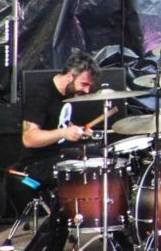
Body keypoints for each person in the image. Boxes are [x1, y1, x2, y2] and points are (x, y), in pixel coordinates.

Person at [7, 49, 101, 213]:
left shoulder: (67, 92)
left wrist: (76, 130)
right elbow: (29, 138)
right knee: (84, 167)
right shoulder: (41, 95)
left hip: (57, 156)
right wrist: (64, 133)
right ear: (70, 76)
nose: (86, 91)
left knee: (99, 158)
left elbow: (57, 121)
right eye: (84, 84)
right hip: (34, 165)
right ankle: (68, 218)